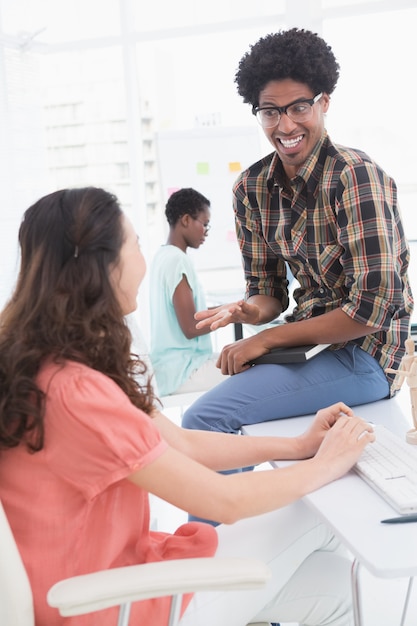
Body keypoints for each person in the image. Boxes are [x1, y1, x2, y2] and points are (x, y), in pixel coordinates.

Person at [0, 186, 375, 626]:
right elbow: (223, 501)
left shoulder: (52, 364)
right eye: (135, 244)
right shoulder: (76, 392)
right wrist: (327, 464)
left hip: (116, 580)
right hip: (110, 606)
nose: (142, 258)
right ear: (103, 265)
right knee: (319, 513)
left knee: (335, 585)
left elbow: (184, 444)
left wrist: (298, 445)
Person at [182, 28, 413, 446]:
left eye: (299, 107)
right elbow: (267, 293)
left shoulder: (355, 177)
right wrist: (247, 312)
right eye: (270, 111)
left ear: (324, 103)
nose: (285, 124)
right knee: (223, 408)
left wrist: (265, 340)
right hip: (307, 347)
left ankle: (223, 510)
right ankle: (251, 506)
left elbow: (372, 310)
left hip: (367, 356)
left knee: (204, 419)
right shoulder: (250, 189)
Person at [150, 187, 228, 396]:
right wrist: (229, 315)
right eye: (204, 224)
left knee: (238, 357)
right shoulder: (177, 260)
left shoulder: (163, 256)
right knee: (250, 368)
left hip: (171, 367)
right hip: (183, 370)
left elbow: (192, 314)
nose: (206, 231)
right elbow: (191, 327)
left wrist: (228, 308)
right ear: (185, 220)